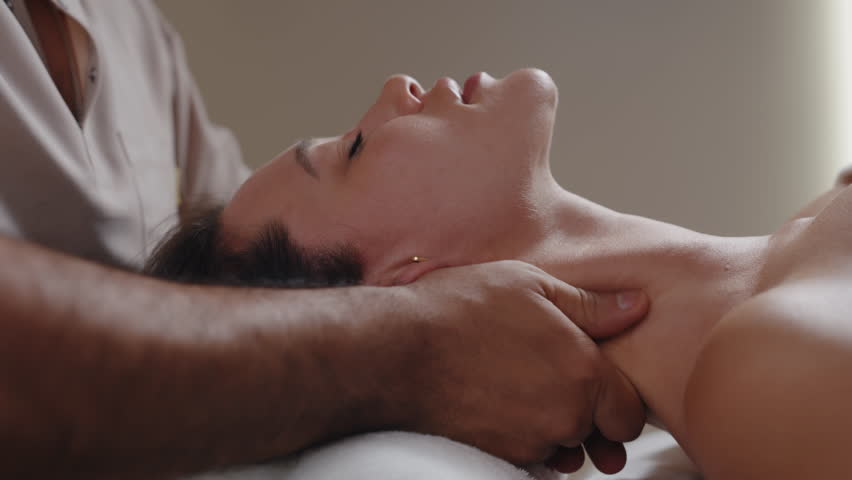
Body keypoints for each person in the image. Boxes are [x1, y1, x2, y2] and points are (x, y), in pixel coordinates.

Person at [0, 1, 650, 478]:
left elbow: (246, 255)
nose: (398, 86)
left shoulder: (131, 31)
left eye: (352, 144)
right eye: (356, 147)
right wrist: (418, 347)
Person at [149, 68, 852, 479]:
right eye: (354, 149)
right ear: (408, 288)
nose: (397, 87)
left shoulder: (810, 245)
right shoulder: (770, 374)